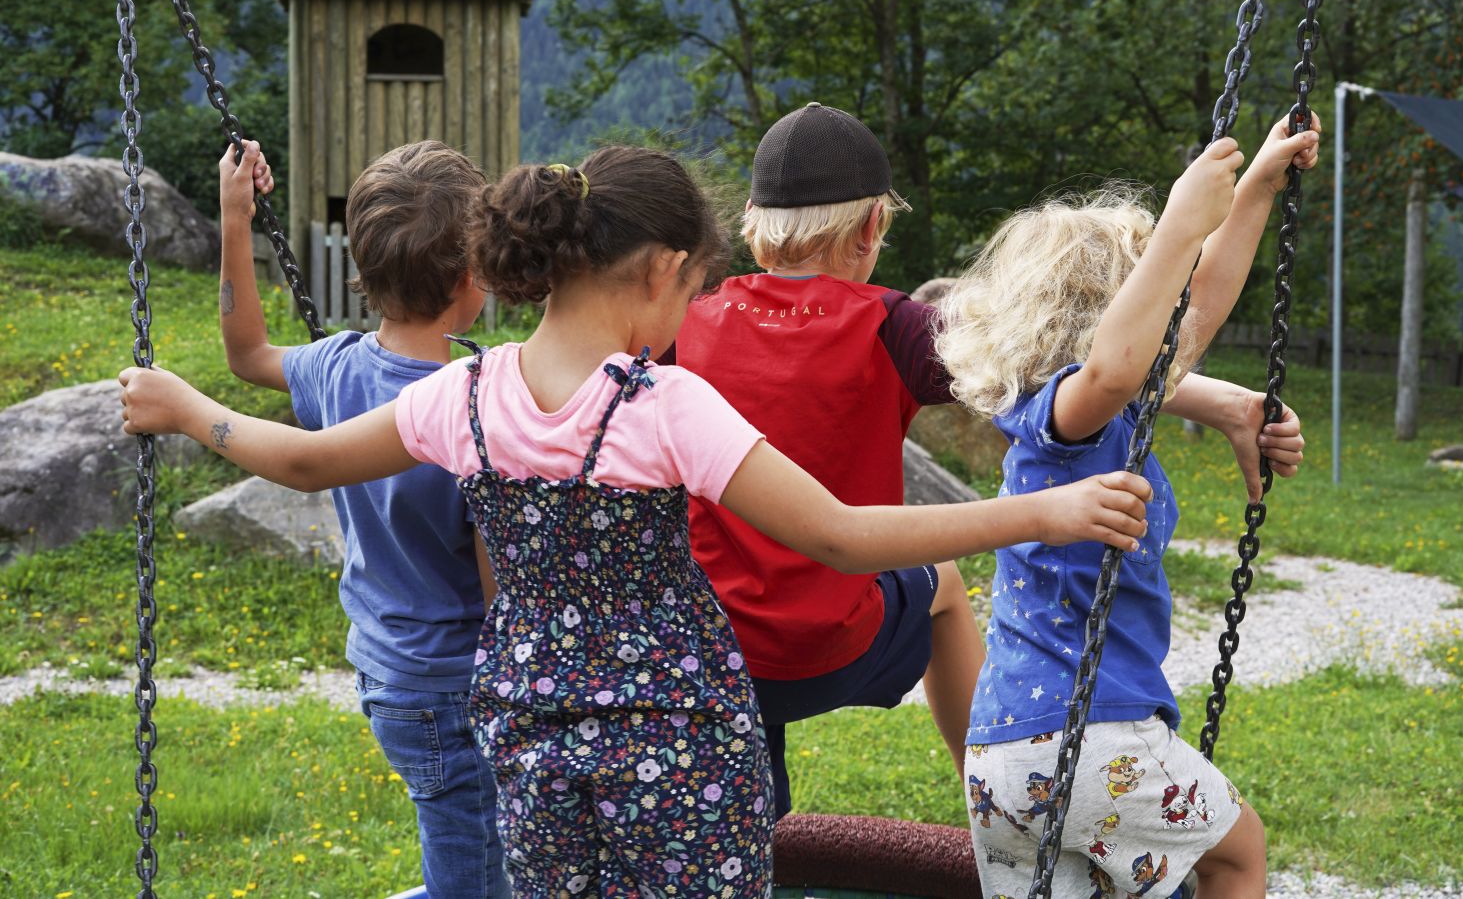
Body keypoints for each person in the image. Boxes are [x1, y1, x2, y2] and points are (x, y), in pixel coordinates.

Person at [121, 145, 1156, 899]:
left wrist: (186, 409)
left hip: (528, 731)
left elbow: (302, 459)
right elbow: (839, 534)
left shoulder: (464, 396)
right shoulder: (663, 407)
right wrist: (1039, 507)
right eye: (693, 286)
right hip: (679, 735)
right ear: (661, 268)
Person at [935, 120, 1318, 899]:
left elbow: (1200, 308)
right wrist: (1180, 223)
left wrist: (1253, 193)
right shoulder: (1072, 422)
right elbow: (1114, 364)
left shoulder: (1083, 419)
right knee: (1237, 853)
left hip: (1001, 758)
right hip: (1089, 740)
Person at [668, 102, 981, 819]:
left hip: (710, 651)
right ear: (873, 226)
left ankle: (760, 820)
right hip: (832, 647)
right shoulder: (893, 325)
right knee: (948, 585)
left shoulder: (689, 321)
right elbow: (1029, 359)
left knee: (730, 582)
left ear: (751, 221)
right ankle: (993, 802)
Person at [214, 139, 507, 897]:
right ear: (473, 275)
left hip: (386, 672)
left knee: (481, 861)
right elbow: (501, 595)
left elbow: (246, 351)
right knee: (474, 880)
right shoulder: (473, 406)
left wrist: (234, 216)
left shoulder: (335, 365)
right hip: (455, 687)